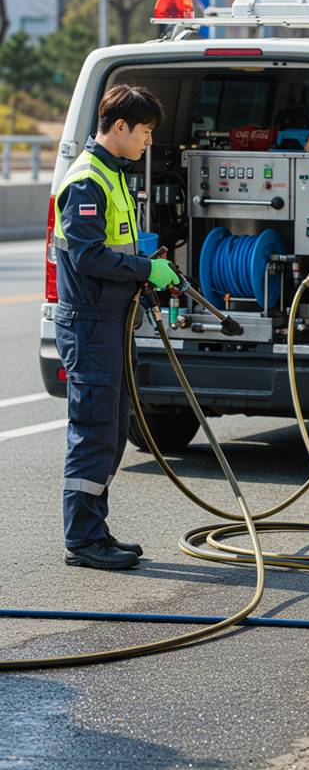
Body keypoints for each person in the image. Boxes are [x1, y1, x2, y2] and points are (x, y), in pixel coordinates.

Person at [53, 85, 179, 570]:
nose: (148, 141)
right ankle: (82, 540)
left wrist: (146, 261)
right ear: (120, 127)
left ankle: (95, 530)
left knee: (110, 428)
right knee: (94, 430)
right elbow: (86, 256)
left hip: (110, 321)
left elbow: (113, 250)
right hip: (90, 323)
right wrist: (146, 271)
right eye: (145, 131)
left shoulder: (112, 175)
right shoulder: (87, 181)